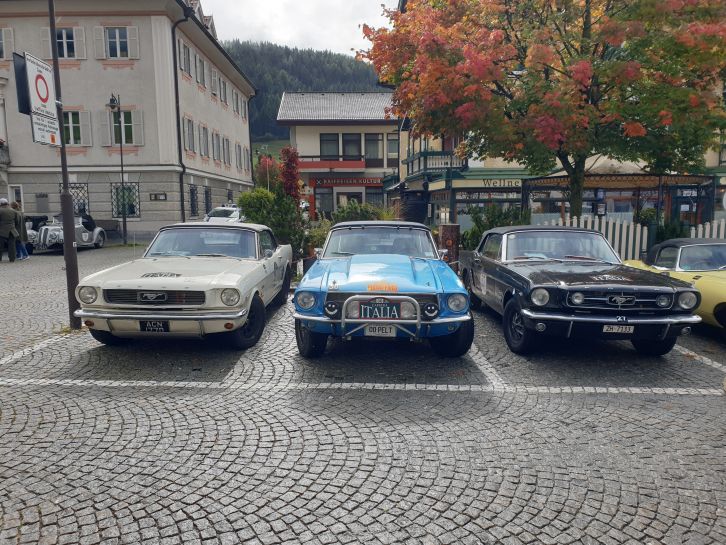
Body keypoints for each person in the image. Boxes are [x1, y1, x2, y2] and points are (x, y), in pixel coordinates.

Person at [0, 198, 21, 262]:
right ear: (7, 203)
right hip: (12, 230)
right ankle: (12, 258)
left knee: (0, 245)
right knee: (12, 245)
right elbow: (17, 221)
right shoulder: (13, 211)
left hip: (1, 230)